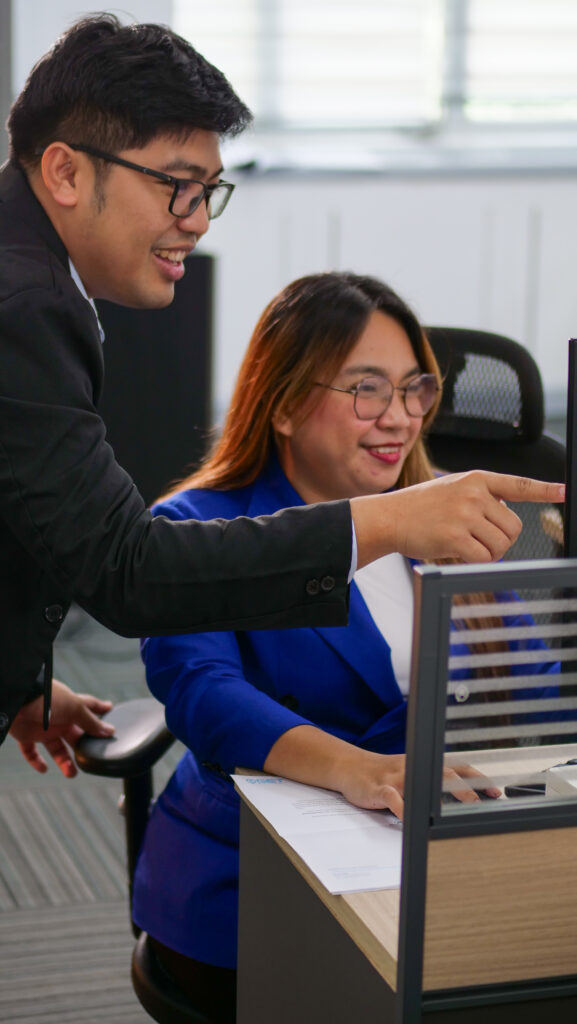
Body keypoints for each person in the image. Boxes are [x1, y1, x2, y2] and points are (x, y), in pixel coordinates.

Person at [0, 16, 562, 768]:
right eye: (177, 187)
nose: (197, 221)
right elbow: (129, 575)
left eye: (208, 192)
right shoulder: (26, 307)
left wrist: (14, 681)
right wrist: (387, 523)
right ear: (66, 173)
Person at [132, 272, 561, 1023]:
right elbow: (203, 693)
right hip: (251, 877)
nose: (399, 417)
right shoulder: (195, 526)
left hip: (425, 859)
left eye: (414, 390)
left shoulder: (438, 515)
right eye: (367, 389)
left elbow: (533, 684)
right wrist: (359, 769)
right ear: (285, 403)